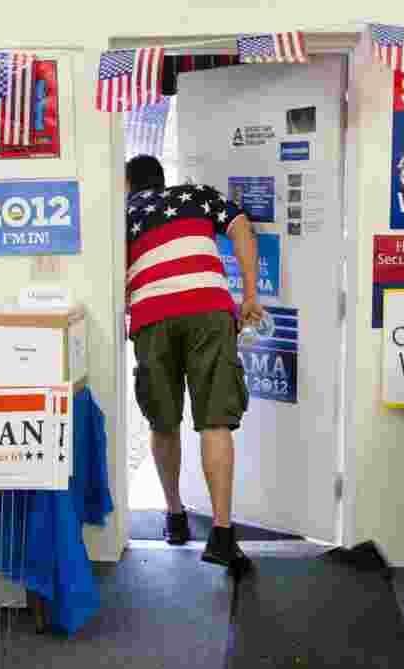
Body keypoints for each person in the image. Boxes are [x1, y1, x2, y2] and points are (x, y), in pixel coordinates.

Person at [125, 155, 264, 576]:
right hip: (208, 309)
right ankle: (222, 534)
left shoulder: (125, 210)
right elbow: (242, 228)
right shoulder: (197, 194)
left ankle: (174, 515)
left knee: (162, 421)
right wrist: (251, 295)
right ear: (163, 180)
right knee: (216, 420)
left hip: (152, 316)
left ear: (129, 183)